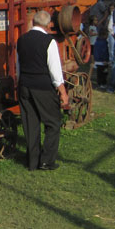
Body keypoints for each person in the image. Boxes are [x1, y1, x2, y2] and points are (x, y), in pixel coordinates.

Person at [16, 10, 69, 171]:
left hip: (25, 85)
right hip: (43, 87)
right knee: (53, 123)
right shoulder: (49, 41)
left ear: (33, 22)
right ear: (48, 25)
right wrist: (62, 91)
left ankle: (32, 162)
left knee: (30, 124)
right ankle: (46, 161)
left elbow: (18, 65)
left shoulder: (21, 40)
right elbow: (55, 70)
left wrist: (20, 81)